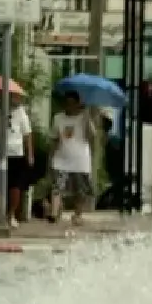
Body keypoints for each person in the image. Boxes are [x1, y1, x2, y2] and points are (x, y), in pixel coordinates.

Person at [0, 89, 33, 229]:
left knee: (15, 185)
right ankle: (1, 215)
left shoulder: (20, 111)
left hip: (15, 152)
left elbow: (27, 134)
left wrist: (30, 154)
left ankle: (11, 215)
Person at [49, 91, 101, 226]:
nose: (69, 106)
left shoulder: (84, 118)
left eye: (73, 103)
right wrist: (51, 156)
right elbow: (54, 138)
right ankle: (54, 213)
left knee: (81, 191)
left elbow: (92, 136)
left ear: (78, 104)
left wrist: (88, 116)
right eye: (67, 103)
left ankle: (77, 214)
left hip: (80, 160)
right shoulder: (58, 118)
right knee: (57, 187)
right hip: (61, 159)